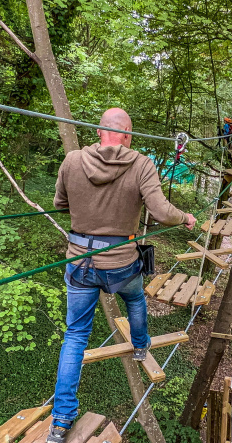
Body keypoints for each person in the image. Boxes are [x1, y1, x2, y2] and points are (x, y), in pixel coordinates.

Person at [46, 108, 196, 443]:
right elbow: (159, 211)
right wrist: (185, 216)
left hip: (81, 263)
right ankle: (141, 346)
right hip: (121, 264)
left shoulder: (72, 160)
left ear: (100, 132)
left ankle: (60, 421)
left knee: (74, 337)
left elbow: (59, 202)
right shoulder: (141, 164)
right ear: (127, 134)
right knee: (135, 299)